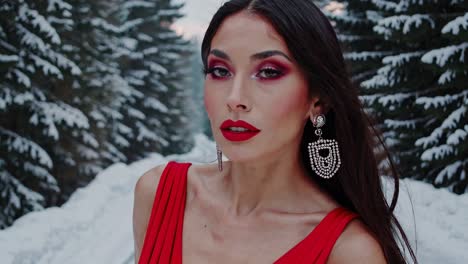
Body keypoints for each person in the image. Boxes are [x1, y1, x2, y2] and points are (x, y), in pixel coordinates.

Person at [133, 0, 417, 263]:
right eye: (220, 71)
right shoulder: (157, 194)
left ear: (317, 100)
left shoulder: (349, 252)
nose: (235, 98)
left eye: (268, 72)